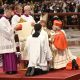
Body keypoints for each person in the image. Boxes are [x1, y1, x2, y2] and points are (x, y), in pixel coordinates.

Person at [0, 6, 17, 74]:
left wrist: (13, 29)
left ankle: (12, 69)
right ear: (6, 12)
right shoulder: (2, 20)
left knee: (11, 54)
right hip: (6, 40)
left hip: (9, 39)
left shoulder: (6, 20)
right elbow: (6, 31)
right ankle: (9, 69)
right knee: (8, 55)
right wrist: (13, 28)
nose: (11, 14)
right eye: (10, 12)